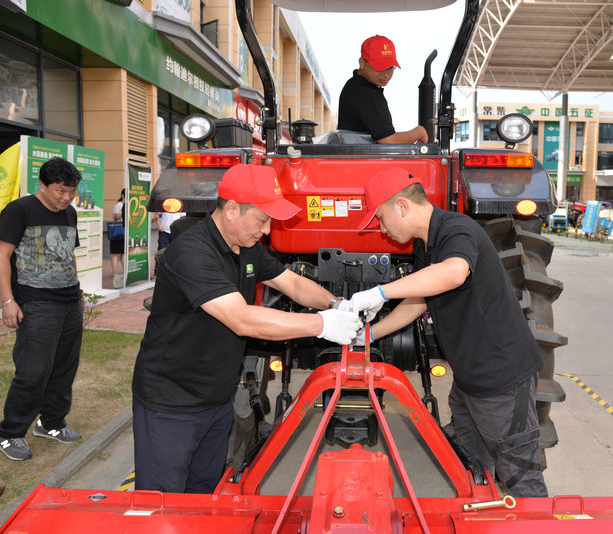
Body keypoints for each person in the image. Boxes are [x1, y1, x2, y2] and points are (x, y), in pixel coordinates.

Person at [131, 163, 361, 494]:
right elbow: (241, 318)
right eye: (262, 220)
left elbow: (292, 284)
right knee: (161, 503)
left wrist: (336, 304)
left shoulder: (247, 247)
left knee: (204, 493)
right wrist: (322, 324)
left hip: (216, 399)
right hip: (171, 404)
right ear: (232, 210)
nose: (266, 231)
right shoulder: (192, 252)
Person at [345, 167, 548, 498]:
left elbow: (454, 273)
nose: (382, 229)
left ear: (402, 206)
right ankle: (485, 512)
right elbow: (418, 301)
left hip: (501, 380)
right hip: (470, 382)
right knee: (471, 463)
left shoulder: (456, 229)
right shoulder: (427, 245)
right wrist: (371, 334)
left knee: (519, 475)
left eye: (381, 218)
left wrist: (381, 292)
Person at [0, 157, 84, 462]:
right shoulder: (19, 210)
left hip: (69, 300)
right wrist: (8, 301)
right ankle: (9, 433)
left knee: (64, 368)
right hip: (36, 301)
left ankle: (51, 423)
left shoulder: (69, 212)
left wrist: (78, 291)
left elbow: (67, 254)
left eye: (71, 191)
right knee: (33, 370)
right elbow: (1, 256)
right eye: (60, 191)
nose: (67, 197)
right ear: (42, 185)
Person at [337, 35, 428, 144]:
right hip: (364, 159)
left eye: (390, 67)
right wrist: (419, 132)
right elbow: (388, 140)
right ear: (362, 63)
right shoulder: (367, 94)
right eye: (380, 67)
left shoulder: (352, 85)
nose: (386, 74)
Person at [110, 189, 125, 288]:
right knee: (115, 253)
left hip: (124, 231)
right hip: (117, 231)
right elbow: (115, 218)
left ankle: (125, 270)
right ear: (123, 196)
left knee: (123, 253)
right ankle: (114, 272)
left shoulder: (127, 205)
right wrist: (123, 213)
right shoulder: (118, 205)